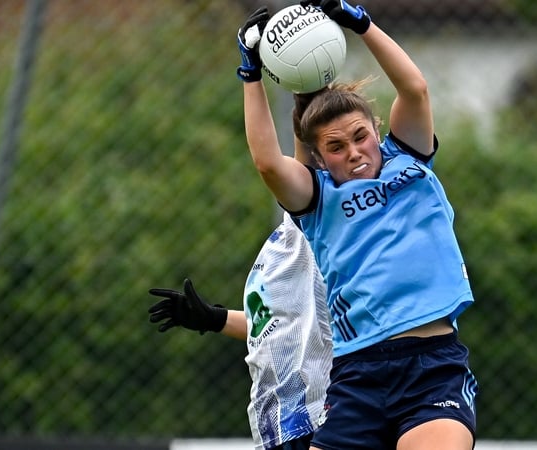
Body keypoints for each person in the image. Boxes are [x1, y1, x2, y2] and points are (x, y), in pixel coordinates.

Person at [236, 1, 479, 449]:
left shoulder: (408, 159)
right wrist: (250, 74)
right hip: (357, 376)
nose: (353, 151)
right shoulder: (317, 198)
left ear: (376, 126)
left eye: (360, 135)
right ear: (318, 155)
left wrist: (361, 24)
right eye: (335, 146)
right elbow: (268, 164)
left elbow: (415, 89)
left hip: (431, 369)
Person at [147, 98, 333, 450]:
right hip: (282, 424)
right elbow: (287, 327)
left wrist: (276, 81)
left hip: (320, 419)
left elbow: (274, 160)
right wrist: (216, 319)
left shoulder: (320, 223)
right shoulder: (287, 237)